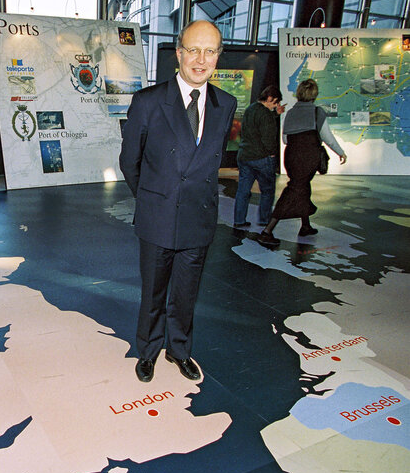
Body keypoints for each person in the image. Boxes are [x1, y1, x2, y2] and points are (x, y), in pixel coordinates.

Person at [119, 20, 237, 382]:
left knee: (186, 294)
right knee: (153, 293)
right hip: (157, 216)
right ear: (180, 53)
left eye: (210, 51)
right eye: (194, 50)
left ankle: (180, 350)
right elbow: (130, 161)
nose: (201, 60)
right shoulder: (149, 101)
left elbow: (211, 160)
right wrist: (155, 198)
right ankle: (149, 351)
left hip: (198, 219)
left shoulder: (226, 104)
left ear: (218, 56)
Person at [258, 79, 347, 246]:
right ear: (314, 94)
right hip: (308, 156)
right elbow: (328, 137)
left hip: (291, 156)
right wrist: (341, 153)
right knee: (295, 189)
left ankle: (305, 226)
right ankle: (267, 231)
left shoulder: (290, 112)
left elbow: (285, 139)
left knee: (302, 186)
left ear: (299, 93)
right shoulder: (317, 112)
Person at [233, 86, 285, 228]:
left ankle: (239, 220)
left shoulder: (251, 108)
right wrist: (272, 154)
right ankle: (264, 220)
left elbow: (258, 124)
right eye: (275, 102)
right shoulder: (266, 114)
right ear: (269, 98)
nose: (276, 106)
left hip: (244, 156)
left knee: (243, 191)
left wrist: (276, 114)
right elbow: (268, 137)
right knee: (267, 191)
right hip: (261, 158)